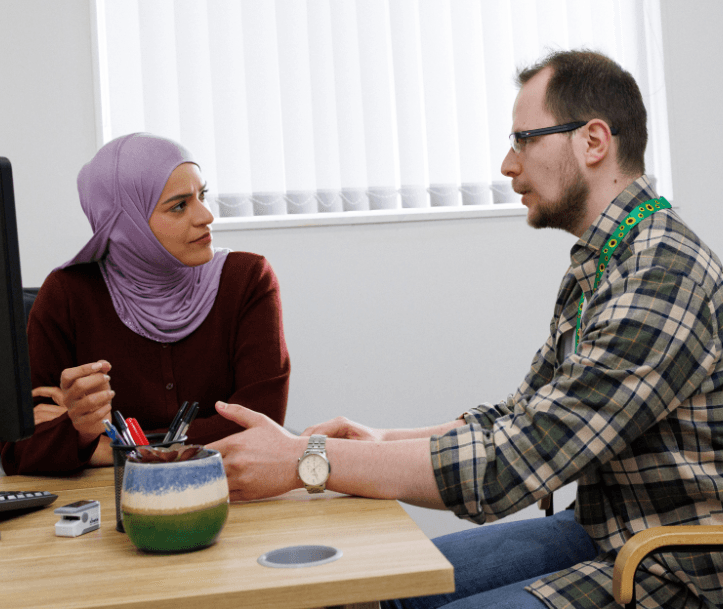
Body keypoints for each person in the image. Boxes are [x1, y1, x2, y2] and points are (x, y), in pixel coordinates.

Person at [209, 51, 723, 609]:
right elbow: (524, 414)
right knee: (386, 589)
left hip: (673, 563)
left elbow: (511, 466)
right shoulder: (604, 261)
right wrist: (378, 440)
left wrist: (306, 460)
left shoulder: (664, 272)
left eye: (524, 139)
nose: (508, 163)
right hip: (605, 529)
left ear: (593, 142)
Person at [1, 132, 290, 474]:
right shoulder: (67, 294)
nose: (206, 216)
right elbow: (17, 450)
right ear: (126, 223)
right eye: (180, 205)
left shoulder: (247, 280)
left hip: (229, 494)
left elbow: (260, 425)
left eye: (203, 195)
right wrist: (82, 432)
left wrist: (111, 445)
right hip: (113, 506)